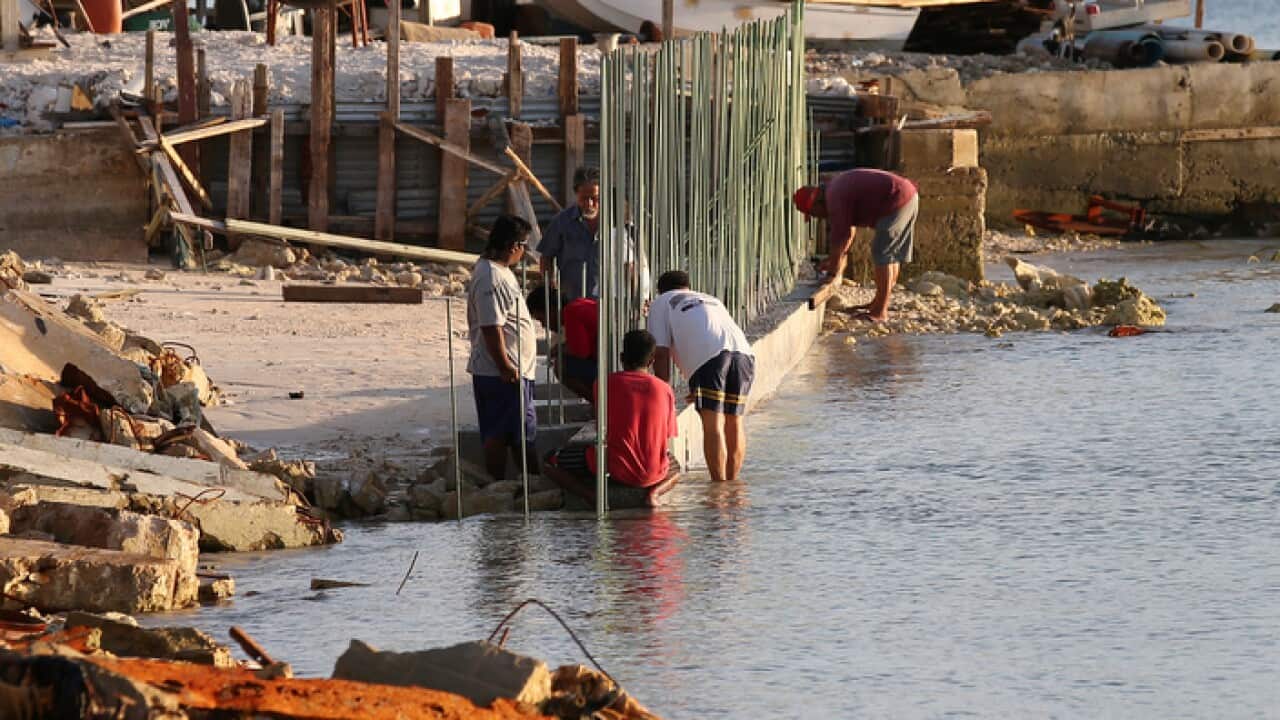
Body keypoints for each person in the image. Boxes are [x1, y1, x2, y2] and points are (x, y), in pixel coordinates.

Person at [543, 329, 680, 508]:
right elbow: (667, 436)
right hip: (654, 472)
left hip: (616, 468)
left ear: (622, 358)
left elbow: (602, 427)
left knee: (548, 460)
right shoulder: (665, 389)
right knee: (676, 467)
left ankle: (591, 496)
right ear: (652, 361)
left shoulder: (603, 384)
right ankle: (655, 493)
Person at [646, 270, 754, 483]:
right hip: (744, 355)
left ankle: (719, 487)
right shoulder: (710, 298)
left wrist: (663, 394)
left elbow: (661, 352)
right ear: (687, 286)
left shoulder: (660, 302)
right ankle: (733, 486)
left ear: (660, 290)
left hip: (709, 359)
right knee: (735, 421)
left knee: (712, 423)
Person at [467, 213, 539, 484]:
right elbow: (490, 327)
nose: (524, 253)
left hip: (513, 369)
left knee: (519, 432)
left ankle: (523, 488)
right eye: (525, 247)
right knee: (507, 433)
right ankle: (515, 486)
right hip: (501, 372)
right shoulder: (490, 278)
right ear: (514, 246)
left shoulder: (499, 272)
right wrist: (505, 366)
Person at [793, 168, 919, 323]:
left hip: (896, 199)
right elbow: (850, 232)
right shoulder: (835, 189)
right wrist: (834, 259)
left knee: (882, 253)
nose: (817, 218)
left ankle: (880, 311)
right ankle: (878, 303)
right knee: (889, 254)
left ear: (816, 203)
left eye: (813, 213)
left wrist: (832, 273)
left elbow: (841, 237)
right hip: (907, 194)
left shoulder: (834, 198)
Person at [527, 285, 599, 404]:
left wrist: (558, 349)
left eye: (542, 319)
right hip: (612, 362)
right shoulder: (578, 304)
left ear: (550, 309)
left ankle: (601, 406)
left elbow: (581, 351)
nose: (544, 325)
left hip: (609, 368)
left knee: (562, 366)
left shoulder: (571, 312)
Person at [539, 166, 601, 302]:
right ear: (576, 194)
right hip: (572, 301)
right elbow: (546, 257)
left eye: (595, 198)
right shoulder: (561, 222)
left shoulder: (615, 223)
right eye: (584, 198)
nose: (589, 204)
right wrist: (550, 287)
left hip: (608, 303)